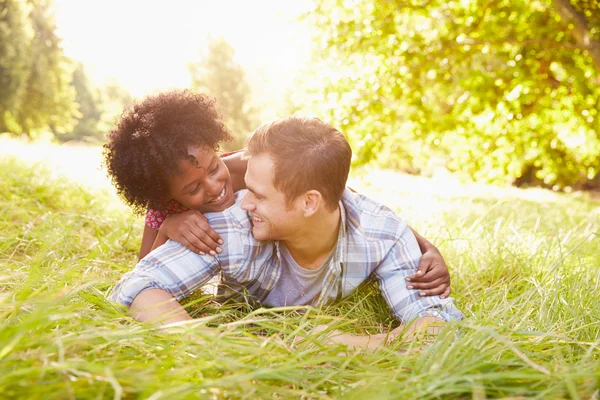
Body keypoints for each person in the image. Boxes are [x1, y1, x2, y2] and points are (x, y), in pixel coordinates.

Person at [109, 116, 463, 347]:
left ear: (309, 203)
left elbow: (439, 323)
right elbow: (137, 284)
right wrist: (205, 344)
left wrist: (349, 343)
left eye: (258, 195)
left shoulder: (378, 233)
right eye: (193, 189)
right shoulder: (227, 225)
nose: (240, 200)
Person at [104, 90, 452, 298]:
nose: (213, 186)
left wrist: (424, 245)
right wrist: (168, 226)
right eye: (193, 189)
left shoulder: (244, 167)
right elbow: (145, 270)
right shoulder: (162, 207)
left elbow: (339, 194)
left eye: (212, 168)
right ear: (166, 194)